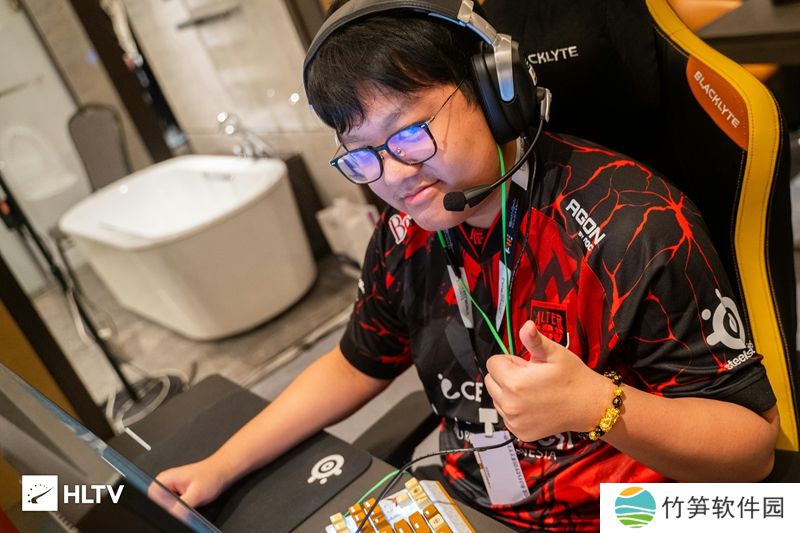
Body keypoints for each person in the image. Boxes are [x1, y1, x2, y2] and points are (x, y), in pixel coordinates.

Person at [156, 0, 780, 530]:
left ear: (495, 95)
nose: (395, 176)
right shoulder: (406, 231)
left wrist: (598, 406)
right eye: (363, 156)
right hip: (478, 498)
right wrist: (220, 466)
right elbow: (354, 364)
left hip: (631, 510)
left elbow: (754, 452)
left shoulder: (634, 225)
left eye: (409, 134)